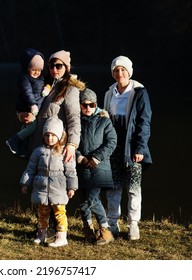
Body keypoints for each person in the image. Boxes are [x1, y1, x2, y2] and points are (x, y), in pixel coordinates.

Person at [103, 55, 152, 241]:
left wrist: (140, 148)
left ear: (129, 72)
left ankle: (133, 225)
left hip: (132, 146)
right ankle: (113, 223)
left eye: (123, 70)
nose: (119, 73)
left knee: (133, 187)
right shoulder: (109, 93)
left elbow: (144, 122)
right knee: (113, 186)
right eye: (116, 70)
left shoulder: (139, 92)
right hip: (113, 145)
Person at [18, 50, 85, 163]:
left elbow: (74, 119)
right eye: (51, 66)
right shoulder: (43, 85)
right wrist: (21, 115)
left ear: (66, 67)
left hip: (55, 149)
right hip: (35, 146)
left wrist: (72, 145)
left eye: (58, 66)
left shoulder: (70, 89)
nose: (54, 70)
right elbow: (30, 106)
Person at [20, 117, 78, 247]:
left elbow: (71, 171)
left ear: (59, 136)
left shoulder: (64, 152)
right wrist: (25, 183)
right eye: (47, 135)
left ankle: (62, 237)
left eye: (53, 135)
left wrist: (72, 187)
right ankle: (41, 235)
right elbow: (30, 169)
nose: (50, 138)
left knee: (59, 213)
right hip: (41, 187)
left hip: (58, 187)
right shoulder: (38, 151)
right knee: (42, 213)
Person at [76, 88, 117, 245]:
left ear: (96, 105)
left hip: (100, 168)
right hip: (81, 167)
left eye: (91, 105)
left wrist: (97, 158)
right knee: (82, 200)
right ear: (80, 105)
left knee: (92, 199)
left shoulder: (104, 121)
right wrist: (79, 157)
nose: (87, 108)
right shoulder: (76, 122)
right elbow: (71, 141)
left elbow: (112, 142)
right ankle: (88, 229)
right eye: (84, 105)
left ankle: (105, 230)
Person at [5, 48, 51, 156]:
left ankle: (22, 148)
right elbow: (27, 92)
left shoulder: (41, 77)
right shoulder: (24, 78)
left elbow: (48, 82)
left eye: (39, 70)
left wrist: (47, 88)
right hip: (28, 107)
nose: (36, 72)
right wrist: (32, 104)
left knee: (27, 129)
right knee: (31, 127)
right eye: (33, 69)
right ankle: (13, 141)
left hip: (35, 108)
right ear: (27, 67)